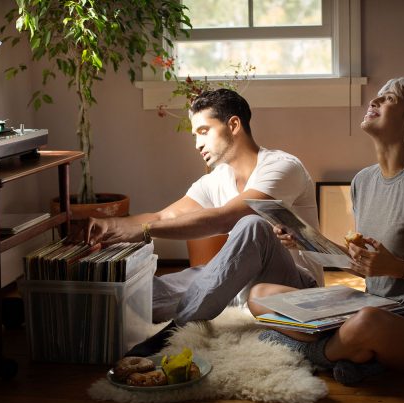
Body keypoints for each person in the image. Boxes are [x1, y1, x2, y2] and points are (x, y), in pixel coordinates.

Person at [248, 77, 404, 385]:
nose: (374, 101)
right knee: (260, 295)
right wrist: (302, 242)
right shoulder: (363, 182)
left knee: (366, 324)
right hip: (370, 306)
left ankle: (313, 351)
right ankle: (356, 356)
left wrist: (399, 268)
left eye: (389, 99)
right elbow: (364, 266)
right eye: (377, 97)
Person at [86, 88, 324, 357]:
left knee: (251, 225)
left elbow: (227, 218)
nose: (197, 144)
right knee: (143, 298)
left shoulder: (282, 166)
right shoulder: (217, 179)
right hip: (239, 281)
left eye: (203, 131)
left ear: (233, 124)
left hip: (296, 288)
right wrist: (114, 226)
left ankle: (175, 331)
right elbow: (164, 216)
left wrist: (141, 231)